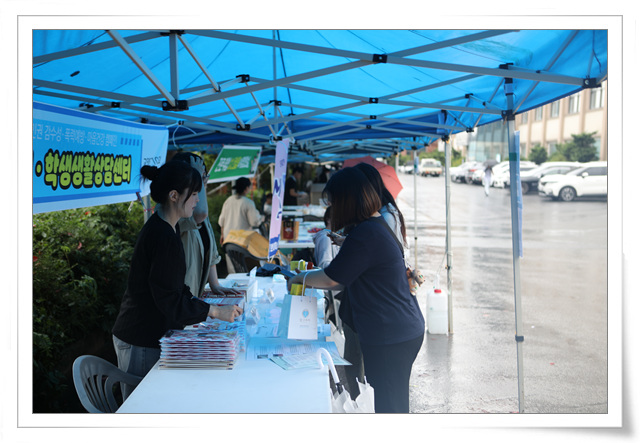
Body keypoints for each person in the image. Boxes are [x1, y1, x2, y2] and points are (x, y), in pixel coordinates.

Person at [287, 167, 424, 413]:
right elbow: (344, 274)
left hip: (391, 334)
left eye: (335, 202)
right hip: (397, 329)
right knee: (389, 401)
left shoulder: (366, 233)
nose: (332, 209)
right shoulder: (372, 226)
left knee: (389, 406)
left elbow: (333, 279)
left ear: (348, 202)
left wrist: (300, 278)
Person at [112, 161, 243, 400]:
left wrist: (204, 308)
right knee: (143, 407)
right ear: (174, 195)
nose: (197, 200)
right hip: (140, 337)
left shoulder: (167, 228)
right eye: (193, 194)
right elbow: (169, 298)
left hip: (147, 333)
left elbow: (174, 287)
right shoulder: (162, 235)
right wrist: (213, 311)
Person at [169, 152, 241, 298]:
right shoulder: (174, 209)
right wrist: (197, 177)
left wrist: (214, 284)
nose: (204, 183)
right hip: (178, 299)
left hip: (193, 296)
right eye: (200, 178)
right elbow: (200, 214)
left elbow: (211, 253)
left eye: (204, 178)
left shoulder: (195, 206)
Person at [218, 177, 264, 272]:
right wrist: (261, 218)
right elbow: (254, 222)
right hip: (242, 240)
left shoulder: (228, 200)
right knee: (244, 267)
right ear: (246, 188)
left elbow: (222, 221)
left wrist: (222, 235)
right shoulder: (248, 203)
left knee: (232, 266)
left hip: (228, 238)